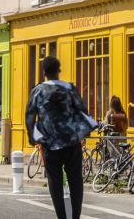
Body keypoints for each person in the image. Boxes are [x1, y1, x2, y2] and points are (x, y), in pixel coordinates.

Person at [25, 56, 90, 219]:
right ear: (58, 70)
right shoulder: (69, 89)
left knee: (54, 180)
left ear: (44, 72)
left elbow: (29, 115)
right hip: (71, 141)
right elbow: (82, 110)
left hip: (49, 142)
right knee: (75, 180)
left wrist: (32, 137)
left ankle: (61, 216)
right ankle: (75, 216)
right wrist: (82, 132)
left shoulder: (38, 91)